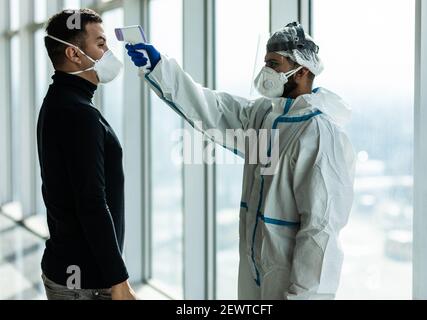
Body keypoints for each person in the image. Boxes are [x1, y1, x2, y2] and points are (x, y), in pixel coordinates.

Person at [126, 22, 356, 300]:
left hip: (291, 280)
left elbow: (321, 231)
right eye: (265, 63)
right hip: (255, 267)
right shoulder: (265, 115)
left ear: (304, 70)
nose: (266, 72)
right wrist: (160, 68)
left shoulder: (319, 133)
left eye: (274, 64)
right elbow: (213, 108)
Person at [37, 9, 136, 300]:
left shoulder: (59, 101)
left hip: (71, 269)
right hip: (86, 283)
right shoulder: (79, 114)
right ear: (74, 54)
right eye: (101, 44)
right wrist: (119, 282)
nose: (108, 52)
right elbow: (91, 201)